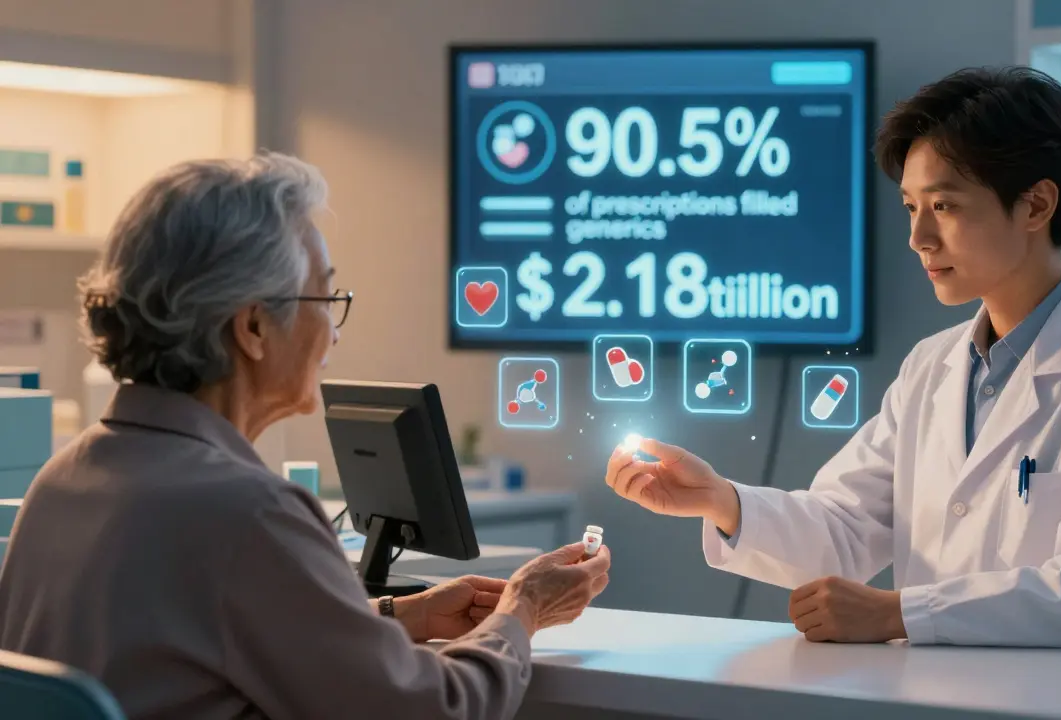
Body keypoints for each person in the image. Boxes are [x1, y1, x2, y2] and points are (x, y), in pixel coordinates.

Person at [606, 67, 1061, 649]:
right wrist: (719, 499)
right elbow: (844, 529)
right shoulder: (933, 366)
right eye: (910, 207)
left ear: (1035, 206)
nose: (918, 237)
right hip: (923, 696)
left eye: (943, 206)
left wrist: (899, 612)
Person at [0, 153, 611, 719]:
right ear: (255, 326)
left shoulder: (63, 481)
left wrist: (399, 616)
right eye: (325, 295)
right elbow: (432, 711)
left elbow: (195, 643)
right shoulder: (249, 515)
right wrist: (521, 612)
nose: (335, 332)